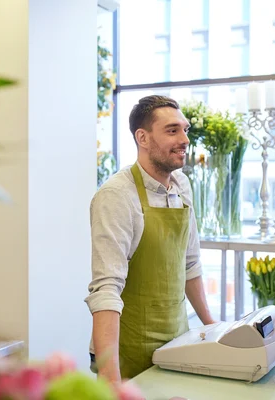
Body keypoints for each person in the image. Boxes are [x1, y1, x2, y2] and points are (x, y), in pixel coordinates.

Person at [86, 95, 215, 383]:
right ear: (142, 138)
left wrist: (214, 328)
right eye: (172, 130)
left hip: (176, 344)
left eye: (186, 129)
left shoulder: (182, 185)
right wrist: (110, 379)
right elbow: (106, 289)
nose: (184, 139)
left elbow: (189, 264)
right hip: (128, 351)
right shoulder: (117, 196)